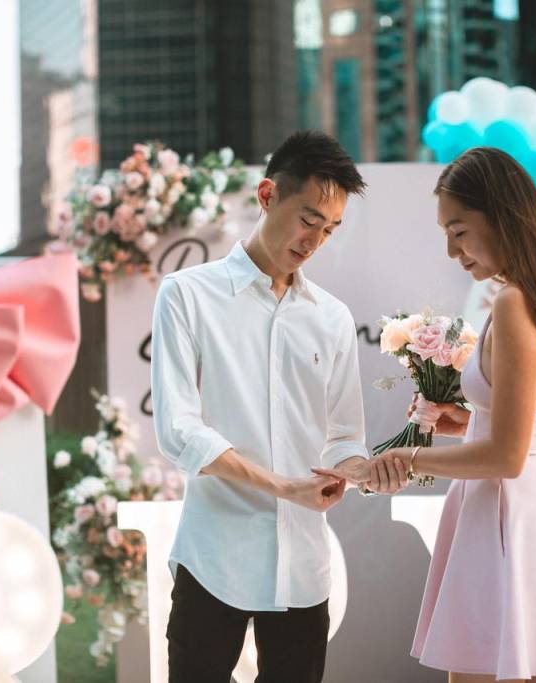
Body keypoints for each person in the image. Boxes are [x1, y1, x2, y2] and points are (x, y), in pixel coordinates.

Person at [318, 147, 536, 682]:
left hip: (500, 520)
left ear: (502, 217)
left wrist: (408, 458)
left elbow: (507, 457)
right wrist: (471, 422)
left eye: (458, 231)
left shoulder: (513, 304)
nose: (452, 251)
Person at [151, 130, 408, 683]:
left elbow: (344, 435)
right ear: (267, 195)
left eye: (330, 229)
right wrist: (283, 487)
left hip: (303, 568)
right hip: (212, 557)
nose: (315, 240)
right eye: (308, 219)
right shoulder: (187, 295)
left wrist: (362, 470)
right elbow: (178, 430)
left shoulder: (331, 317)